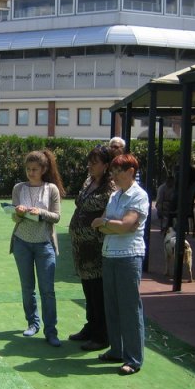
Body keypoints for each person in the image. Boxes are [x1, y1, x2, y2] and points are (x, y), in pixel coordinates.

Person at [91, 154, 149, 375]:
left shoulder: (139, 196)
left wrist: (109, 224)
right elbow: (104, 225)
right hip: (110, 255)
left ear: (131, 172)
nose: (113, 175)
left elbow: (126, 225)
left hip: (129, 257)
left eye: (118, 171)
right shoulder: (115, 195)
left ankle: (133, 359)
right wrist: (112, 225)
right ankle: (117, 350)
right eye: (113, 171)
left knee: (129, 308)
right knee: (112, 306)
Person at [10, 149, 65, 347]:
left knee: (47, 290)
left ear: (43, 169)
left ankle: (51, 331)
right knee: (27, 288)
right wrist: (18, 212)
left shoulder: (51, 189)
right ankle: (33, 323)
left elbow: (57, 217)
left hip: (44, 244)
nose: (31, 173)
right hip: (21, 243)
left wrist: (40, 212)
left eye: (34, 169)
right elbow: (14, 217)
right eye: (28, 169)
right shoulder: (19, 188)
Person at [68, 145, 115, 350]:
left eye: (95, 162)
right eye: (90, 161)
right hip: (82, 247)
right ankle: (91, 325)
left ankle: (101, 335)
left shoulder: (111, 188)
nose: (90, 165)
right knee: (88, 289)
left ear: (106, 165)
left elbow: (108, 215)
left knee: (98, 291)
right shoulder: (89, 181)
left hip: (96, 247)